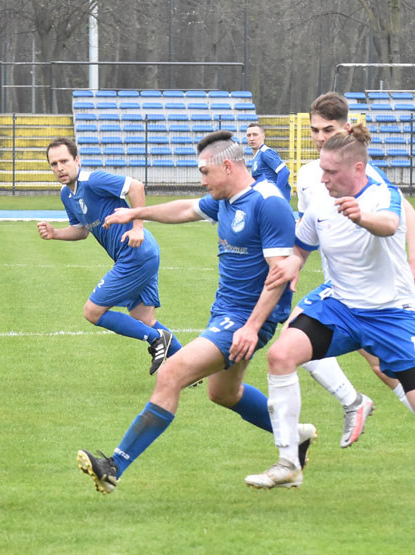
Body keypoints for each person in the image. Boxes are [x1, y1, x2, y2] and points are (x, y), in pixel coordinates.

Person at [246, 123, 415, 512]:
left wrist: (361, 217)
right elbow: (301, 248)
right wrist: (290, 266)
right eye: (322, 170)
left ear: (358, 168)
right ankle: (288, 462)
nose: (323, 178)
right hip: (340, 307)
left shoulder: (383, 195)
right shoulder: (320, 202)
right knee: (280, 356)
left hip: (393, 316)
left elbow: (390, 225)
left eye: (332, 172)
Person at [75, 131, 315, 494]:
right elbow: (186, 208)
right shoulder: (226, 200)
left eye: (205, 172)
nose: (201, 181)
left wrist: (251, 327)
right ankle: (293, 435)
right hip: (226, 313)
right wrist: (137, 212)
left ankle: (114, 466)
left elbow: (279, 277)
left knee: (171, 373)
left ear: (228, 166)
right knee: (223, 393)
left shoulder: (268, 203)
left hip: (247, 319)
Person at [295, 91, 415, 449]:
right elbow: (307, 226)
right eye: (314, 130)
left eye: (328, 129)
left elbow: (404, 214)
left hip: (378, 293)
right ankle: (355, 403)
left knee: (385, 369)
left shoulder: (363, 170)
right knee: (293, 343)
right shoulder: (309, 174)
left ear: (345, 127)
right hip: (340, 290)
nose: (320, 137)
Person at [36, 138, 181, 374]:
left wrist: (137, 227)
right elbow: (81, 231)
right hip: (141, 254)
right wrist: (55, 234)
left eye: (64, 161)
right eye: (54, 164)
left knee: (92, 312)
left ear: (77, 160)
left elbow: (136, 187)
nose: (59, 168)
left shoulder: (93, 180)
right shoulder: (66, 195)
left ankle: (156, 340)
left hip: (135, 253)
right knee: (142, 318)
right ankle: (191, 368)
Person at [246, 123, 292, 202]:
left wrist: (275, 193)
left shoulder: (266, 153)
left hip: (275, 202)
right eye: (249, 135)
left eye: (255, 135)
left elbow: (284, 172)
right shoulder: (257, 155)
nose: (251, 138)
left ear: (263, 136)